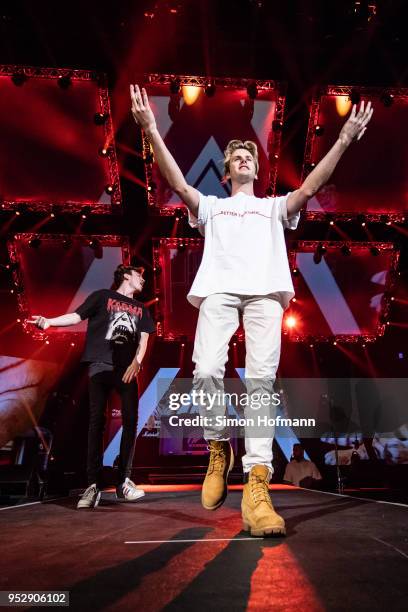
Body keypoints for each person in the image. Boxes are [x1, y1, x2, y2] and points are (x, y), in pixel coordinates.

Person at [130, 83, 373, 536]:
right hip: (220, 290)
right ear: (227, 172)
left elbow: (312, 185)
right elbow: (177, 182)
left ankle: (257, 487)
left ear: (257, 167)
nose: (244, 159)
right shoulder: (215, 207)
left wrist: (342, 139)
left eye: (249, 156)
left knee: (261, 383)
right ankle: (218, 447)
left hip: (264, 293)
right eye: (236, 157)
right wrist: (148, 129)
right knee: (205, 369)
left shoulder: (273, 208)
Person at [28, 264, 156, 509]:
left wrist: (137, 362)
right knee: (97, 421)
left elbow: (144, 339)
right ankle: (93, 485)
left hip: (126, 370)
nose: (143, 280)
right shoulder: (102, 296)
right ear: (126, 275)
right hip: (99, 365)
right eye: (139, 275)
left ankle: (123, 482)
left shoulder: (141, 309)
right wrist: (49, 322)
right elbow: (77, 316)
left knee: (130, 421)